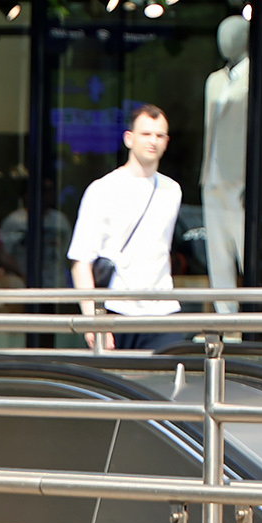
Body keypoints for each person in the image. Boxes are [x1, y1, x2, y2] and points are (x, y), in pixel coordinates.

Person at [69, 104, 183, 352]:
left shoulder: (172, 191)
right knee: (117, 387)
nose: (153, 141)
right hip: (116, 311)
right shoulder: (103, 189)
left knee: (163, 388)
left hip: (164, 311)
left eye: (159, 135)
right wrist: (92, 320)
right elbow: (81, 261)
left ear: (166, 141)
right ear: (129, 138)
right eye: (146, 134)